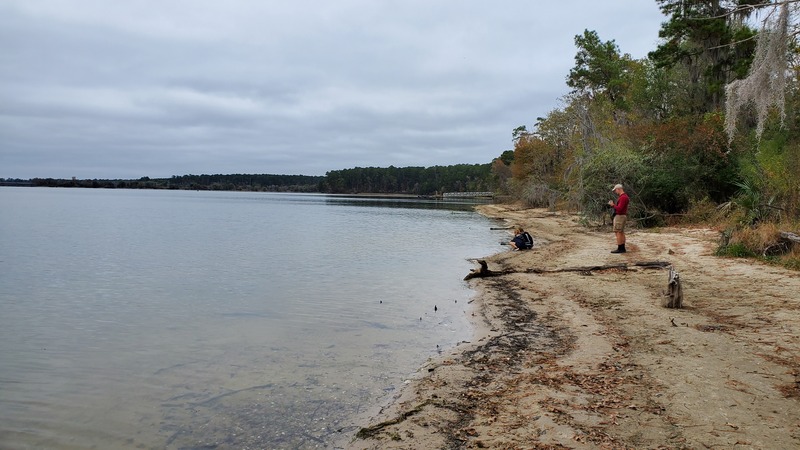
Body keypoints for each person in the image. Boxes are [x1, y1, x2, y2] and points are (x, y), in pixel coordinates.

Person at [608, 184, 629, 253]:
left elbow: (619, 209)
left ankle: (620, 248)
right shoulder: (624, 197)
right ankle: (622, 247)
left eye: (615, 190)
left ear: (618, 189)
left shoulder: (623, 197)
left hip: (620, 216)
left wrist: (613, 205)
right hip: (621, 216)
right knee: (620, 231)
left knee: (618, 232)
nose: (615, 192)